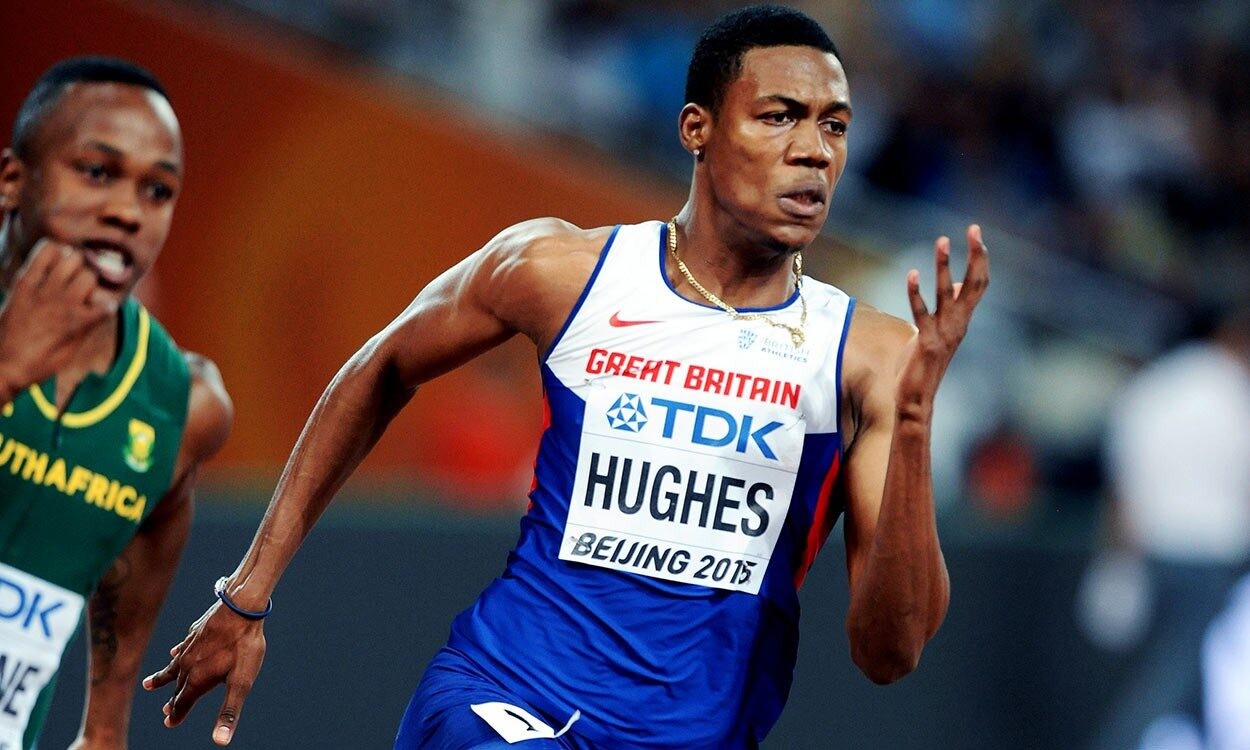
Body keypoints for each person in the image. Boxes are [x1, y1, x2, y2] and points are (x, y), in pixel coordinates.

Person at [146, 5, 987, 749]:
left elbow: (890, 651)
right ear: (697, 128)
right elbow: (380, 366)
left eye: (835, 126)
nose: (813, 152)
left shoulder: (868, 354)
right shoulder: (562, 270)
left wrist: (914, 425)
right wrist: (247, 592)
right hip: (501, 696)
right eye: (779, 117)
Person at [0, 57, 232, 750]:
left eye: (158, 190)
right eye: (97, 172)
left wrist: (103, 725)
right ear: (12, 180)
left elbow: (158, 515)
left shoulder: (178, 401)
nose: (128, 213)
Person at [1083, 301, 1250, 750]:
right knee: (1172, 678)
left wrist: (1119, 561)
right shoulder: (1233, 391)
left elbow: (1123, 489)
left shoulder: (1153, 387)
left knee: (1193, 682)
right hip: (1214, 556)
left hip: (1157, 552)